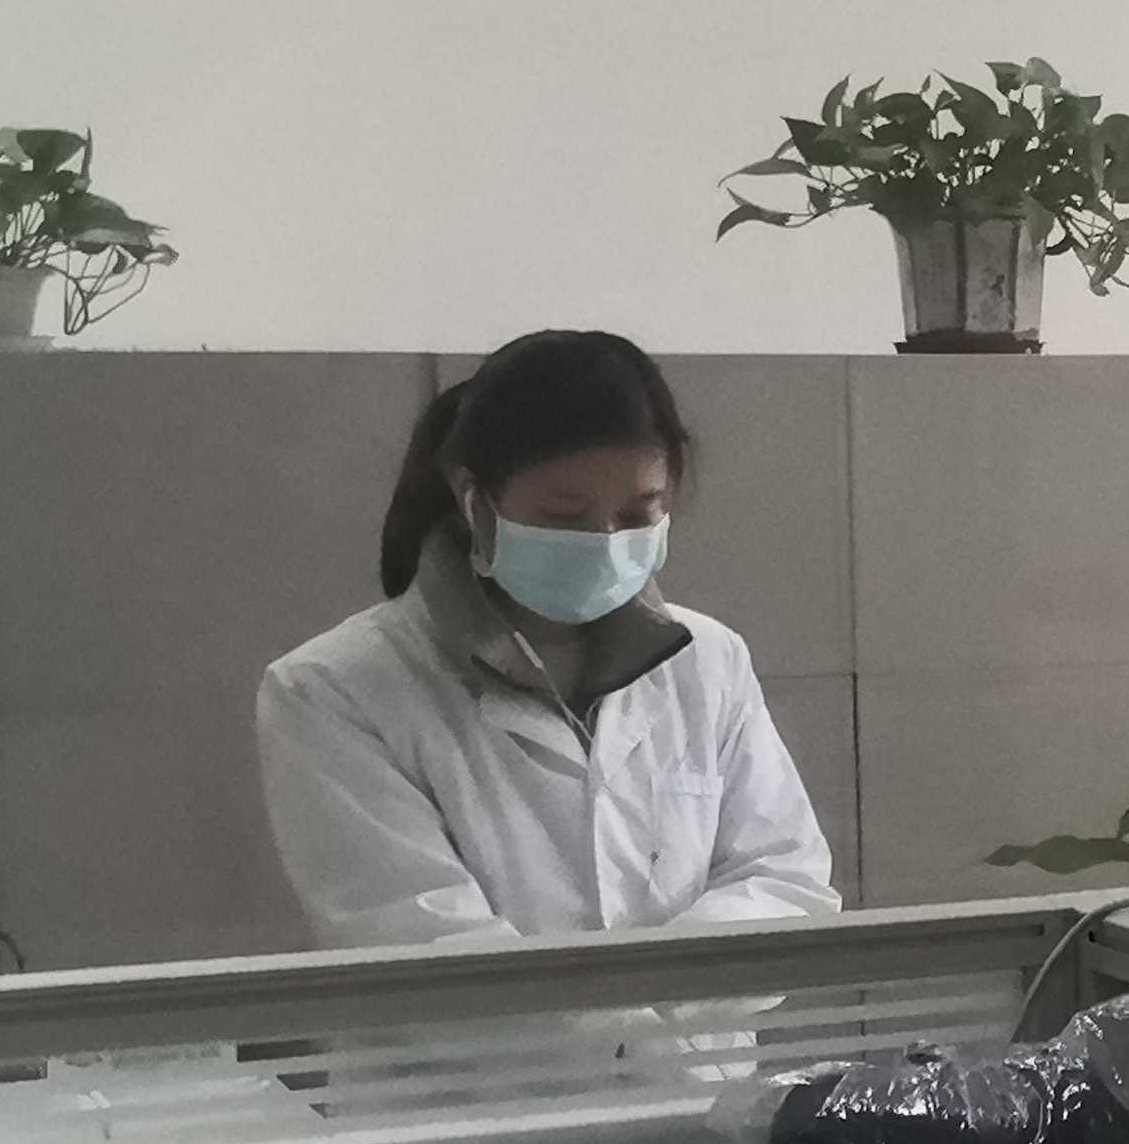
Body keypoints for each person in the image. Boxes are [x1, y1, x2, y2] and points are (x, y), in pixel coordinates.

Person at [260, 329, 839, 944]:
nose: (605, 541)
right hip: (501, 1016)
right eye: (563, 516)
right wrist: (641, 991)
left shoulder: (709, 659)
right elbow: (416, 935)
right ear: (474, 502)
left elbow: (785, 877)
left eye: (638, 513)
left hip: (700, 1012)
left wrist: (663, 983)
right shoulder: (333, 689)